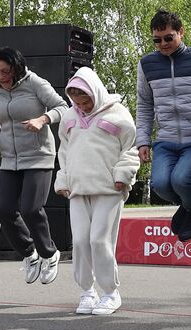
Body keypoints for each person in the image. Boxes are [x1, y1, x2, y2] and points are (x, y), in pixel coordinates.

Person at [134, 10, 191, 243]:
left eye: (169, 37)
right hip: (165, 139)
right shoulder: (146, 65)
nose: (163, 44)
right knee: (160, 185)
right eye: (157, 39)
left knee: (181, 180)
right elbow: (144, 104)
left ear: (181, 32)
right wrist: (143, 140)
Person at [55, 68, 141, 317]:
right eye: (78, 102)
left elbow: (130, 149)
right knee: (81, 241)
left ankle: (110, 292)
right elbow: (65, 150)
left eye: (86, 101)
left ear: (96, 92)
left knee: (99, 240)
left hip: (108, 190)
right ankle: (87, 291)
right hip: (78, 190)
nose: (83, 106)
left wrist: (123, 176)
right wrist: (64, 179)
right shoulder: (70, 116)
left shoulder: (118, 114)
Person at [0, 47, 69, 284]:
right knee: (4, 210)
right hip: (10, 159)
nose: (1, 76)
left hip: (38, 155)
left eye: (5, 71)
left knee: (31, 209)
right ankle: (30, 254)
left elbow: (63, 107)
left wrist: (43, 120)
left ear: (17, 67)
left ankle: (50, 254)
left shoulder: (35, 83)